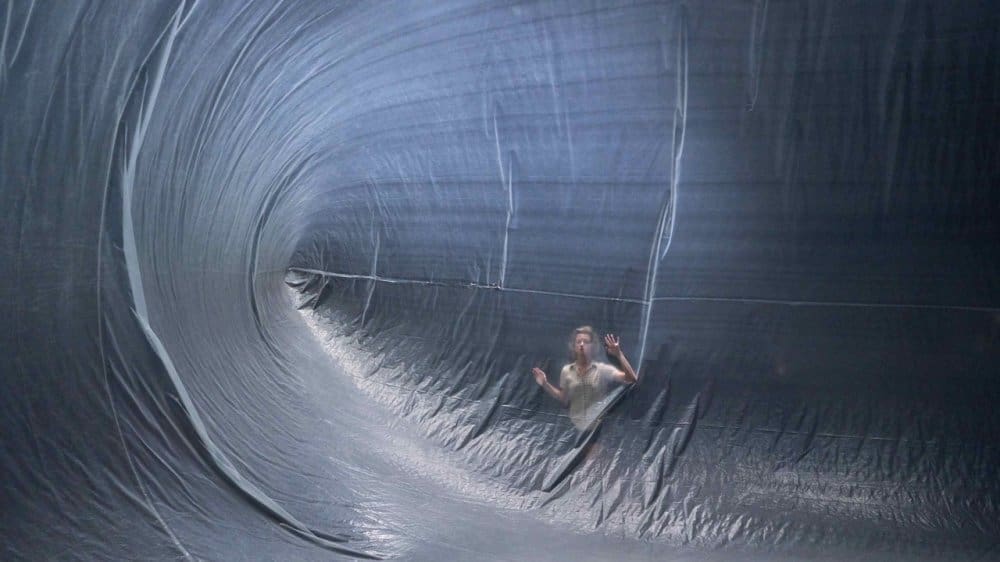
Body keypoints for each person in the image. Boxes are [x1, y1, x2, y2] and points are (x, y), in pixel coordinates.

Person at [531, 326, 638, 433]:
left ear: (593, 346)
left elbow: (631, 378)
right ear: (574, 346)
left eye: (586, 342)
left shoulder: (602, 370)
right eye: (578, 341)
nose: (582, 344)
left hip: (597, 430)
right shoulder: (567, 370)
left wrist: (619, 354)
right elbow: (564, 398)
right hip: (573, 430)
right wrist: (545, 384)